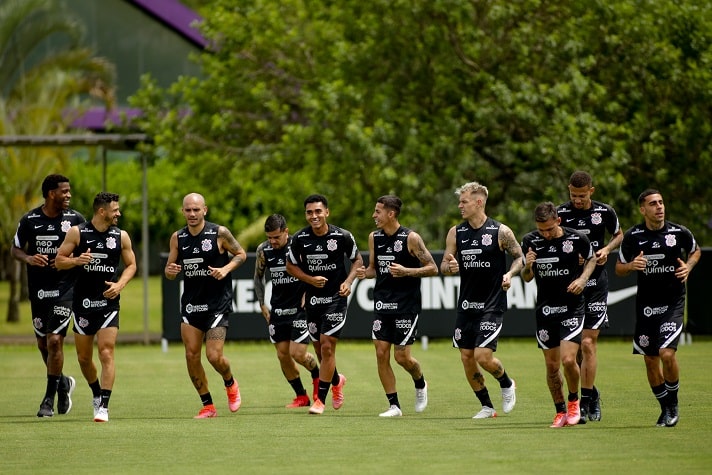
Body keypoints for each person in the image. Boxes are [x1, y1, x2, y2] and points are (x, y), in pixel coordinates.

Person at [615, 189, 700, 427]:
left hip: (673, 303)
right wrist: (632, 265)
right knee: (650, 359)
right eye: (653, 204)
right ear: (643, 209)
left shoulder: (678, 232)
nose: (659, 207)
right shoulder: (633, 236)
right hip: (646, 306)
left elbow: (696, 251)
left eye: (661, 202)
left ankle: (672, 404)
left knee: (666, 353)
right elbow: (619, 268)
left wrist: (689, 266)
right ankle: (665, 408)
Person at [440, 182, 523, 419]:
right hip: (466, 305)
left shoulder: (500, 231)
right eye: (460, 202)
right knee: (467, 358)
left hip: (492, 304)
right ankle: (487, 406)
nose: (460, 206)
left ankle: (507, 383)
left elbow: (519, 258)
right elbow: (443, 265)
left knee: (482, 356)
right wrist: (450, 266)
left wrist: (509, 274)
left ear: (479, 202)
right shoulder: (456, 232)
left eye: (464, 201)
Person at [55, 191, 137, 422]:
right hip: (83, 304)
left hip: (109, 304)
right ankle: (95, 392)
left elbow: (131, 266)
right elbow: (59, 261)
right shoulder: (77, 233)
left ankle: (103, 406)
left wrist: (120, 284)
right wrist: (76, 261)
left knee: (106, 351)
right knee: (83, 358)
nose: (118, 213)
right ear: (102, 211)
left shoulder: (121, 236)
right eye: (115, 210)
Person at [164, 193, 247, 419]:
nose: (192, 214)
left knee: (214, 356)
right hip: (191, 307)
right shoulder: (177, 238)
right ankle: (207, 405)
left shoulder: (219, 233)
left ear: (205, 210)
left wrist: (225, 269)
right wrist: (170, 272)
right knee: (192, 356)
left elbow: (241, 254)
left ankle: (230, 383)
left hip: (217, 306)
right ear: (183, 211)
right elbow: (169, 270)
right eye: (188, 210)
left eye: (196, 210)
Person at [355, 195, 438, 417]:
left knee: (401, 357)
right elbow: (374, 268)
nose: (374, 215)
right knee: (381, 353)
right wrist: (365, 274)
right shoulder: (374, 238)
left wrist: (407, 271)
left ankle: (420, 383)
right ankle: (394, 406)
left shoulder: (411, 238)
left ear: (391, 214)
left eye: (378, 211)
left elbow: (432, 267)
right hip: (382, 303)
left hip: (406, 306)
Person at [12, 174, 85, 417]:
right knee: (44, 344)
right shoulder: (30, 220)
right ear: (51, 193)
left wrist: (70, 261)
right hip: (39, 291)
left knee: (55, 341)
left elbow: (88, 250)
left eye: (69, 191)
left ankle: (47, 400)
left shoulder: (75, 220)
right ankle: (63, 384)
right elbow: (16, 249)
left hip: (66, 290)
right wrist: (29, 258)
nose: (69, 195)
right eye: (64, 191)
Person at [520, 202, 597, 427]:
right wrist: (528, 267)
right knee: (552, 366)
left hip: (572, 307)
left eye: (549, 229)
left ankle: (574, 402)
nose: (545, 234)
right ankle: (560, 410)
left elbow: (592, 259)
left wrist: (582, 279)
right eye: (541, 229)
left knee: (568, 359)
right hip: (545, 310)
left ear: (558, 221)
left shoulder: (576, 239)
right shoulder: (530, 241)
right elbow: (526, 278)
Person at [286, 194, 363, 415]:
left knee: (328, 346)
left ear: (327, 212)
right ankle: (337, 381)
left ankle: (320, 400)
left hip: (336, 299)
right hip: (312, 301)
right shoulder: (300, 239)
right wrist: (310, 280)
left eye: (318, 211)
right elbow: (290, 266)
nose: (314, 216)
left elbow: (357, 260)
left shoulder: (342, 236)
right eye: (310, 212)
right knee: (320, 351)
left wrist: (348, 282)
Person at [557, 171, 623, 422]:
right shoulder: (561, 214)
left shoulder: (605, 212)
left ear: (591, 192)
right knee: (575, 352)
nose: (578, 200)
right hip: (571, 285)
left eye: (582, 196)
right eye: (574, 195)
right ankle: (591, 391)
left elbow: (619, 234)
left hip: (596, 284)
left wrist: (606, 249)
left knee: (587, 343)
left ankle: (586, 402)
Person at [254, 214, 321, 408]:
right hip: (278, 309)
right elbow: (258, 278)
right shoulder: (263, 250)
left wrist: (308, 293)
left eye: (276, 237)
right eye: (269, 237)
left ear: (286, 231)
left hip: (300, 309)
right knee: (283, 355)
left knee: (298, 353)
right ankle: (301, 396)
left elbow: (316, 270)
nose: (272, 241)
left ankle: (318, 380)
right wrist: (262, 304)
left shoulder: (299, 246)